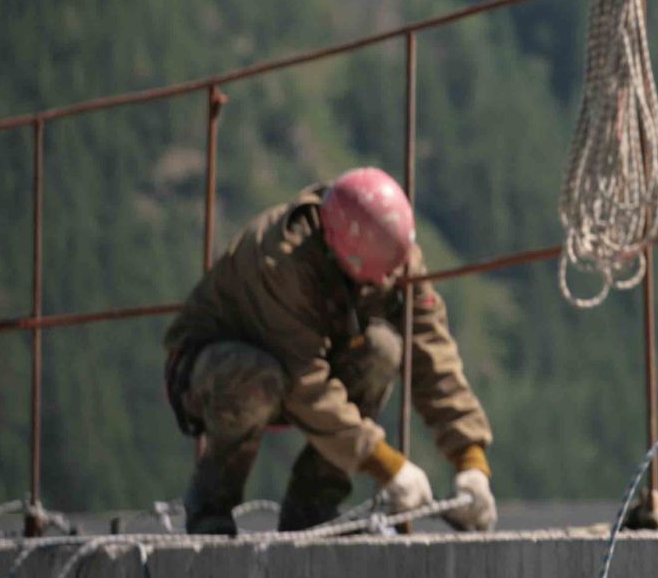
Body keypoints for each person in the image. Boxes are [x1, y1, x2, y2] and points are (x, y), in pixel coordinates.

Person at [163, 167, 497, 535]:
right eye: (380, 276)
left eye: (394, 271)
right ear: (345, 256)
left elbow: (431, 352)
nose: (388, 282)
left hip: (297, 369)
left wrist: (471, 462)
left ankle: (311, 509)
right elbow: (306, 384)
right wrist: (387, 465)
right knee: (257, 377)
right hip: (214, 371)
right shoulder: (281, 260)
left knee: (382, 351)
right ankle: (210, 507)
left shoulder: (390, 252)